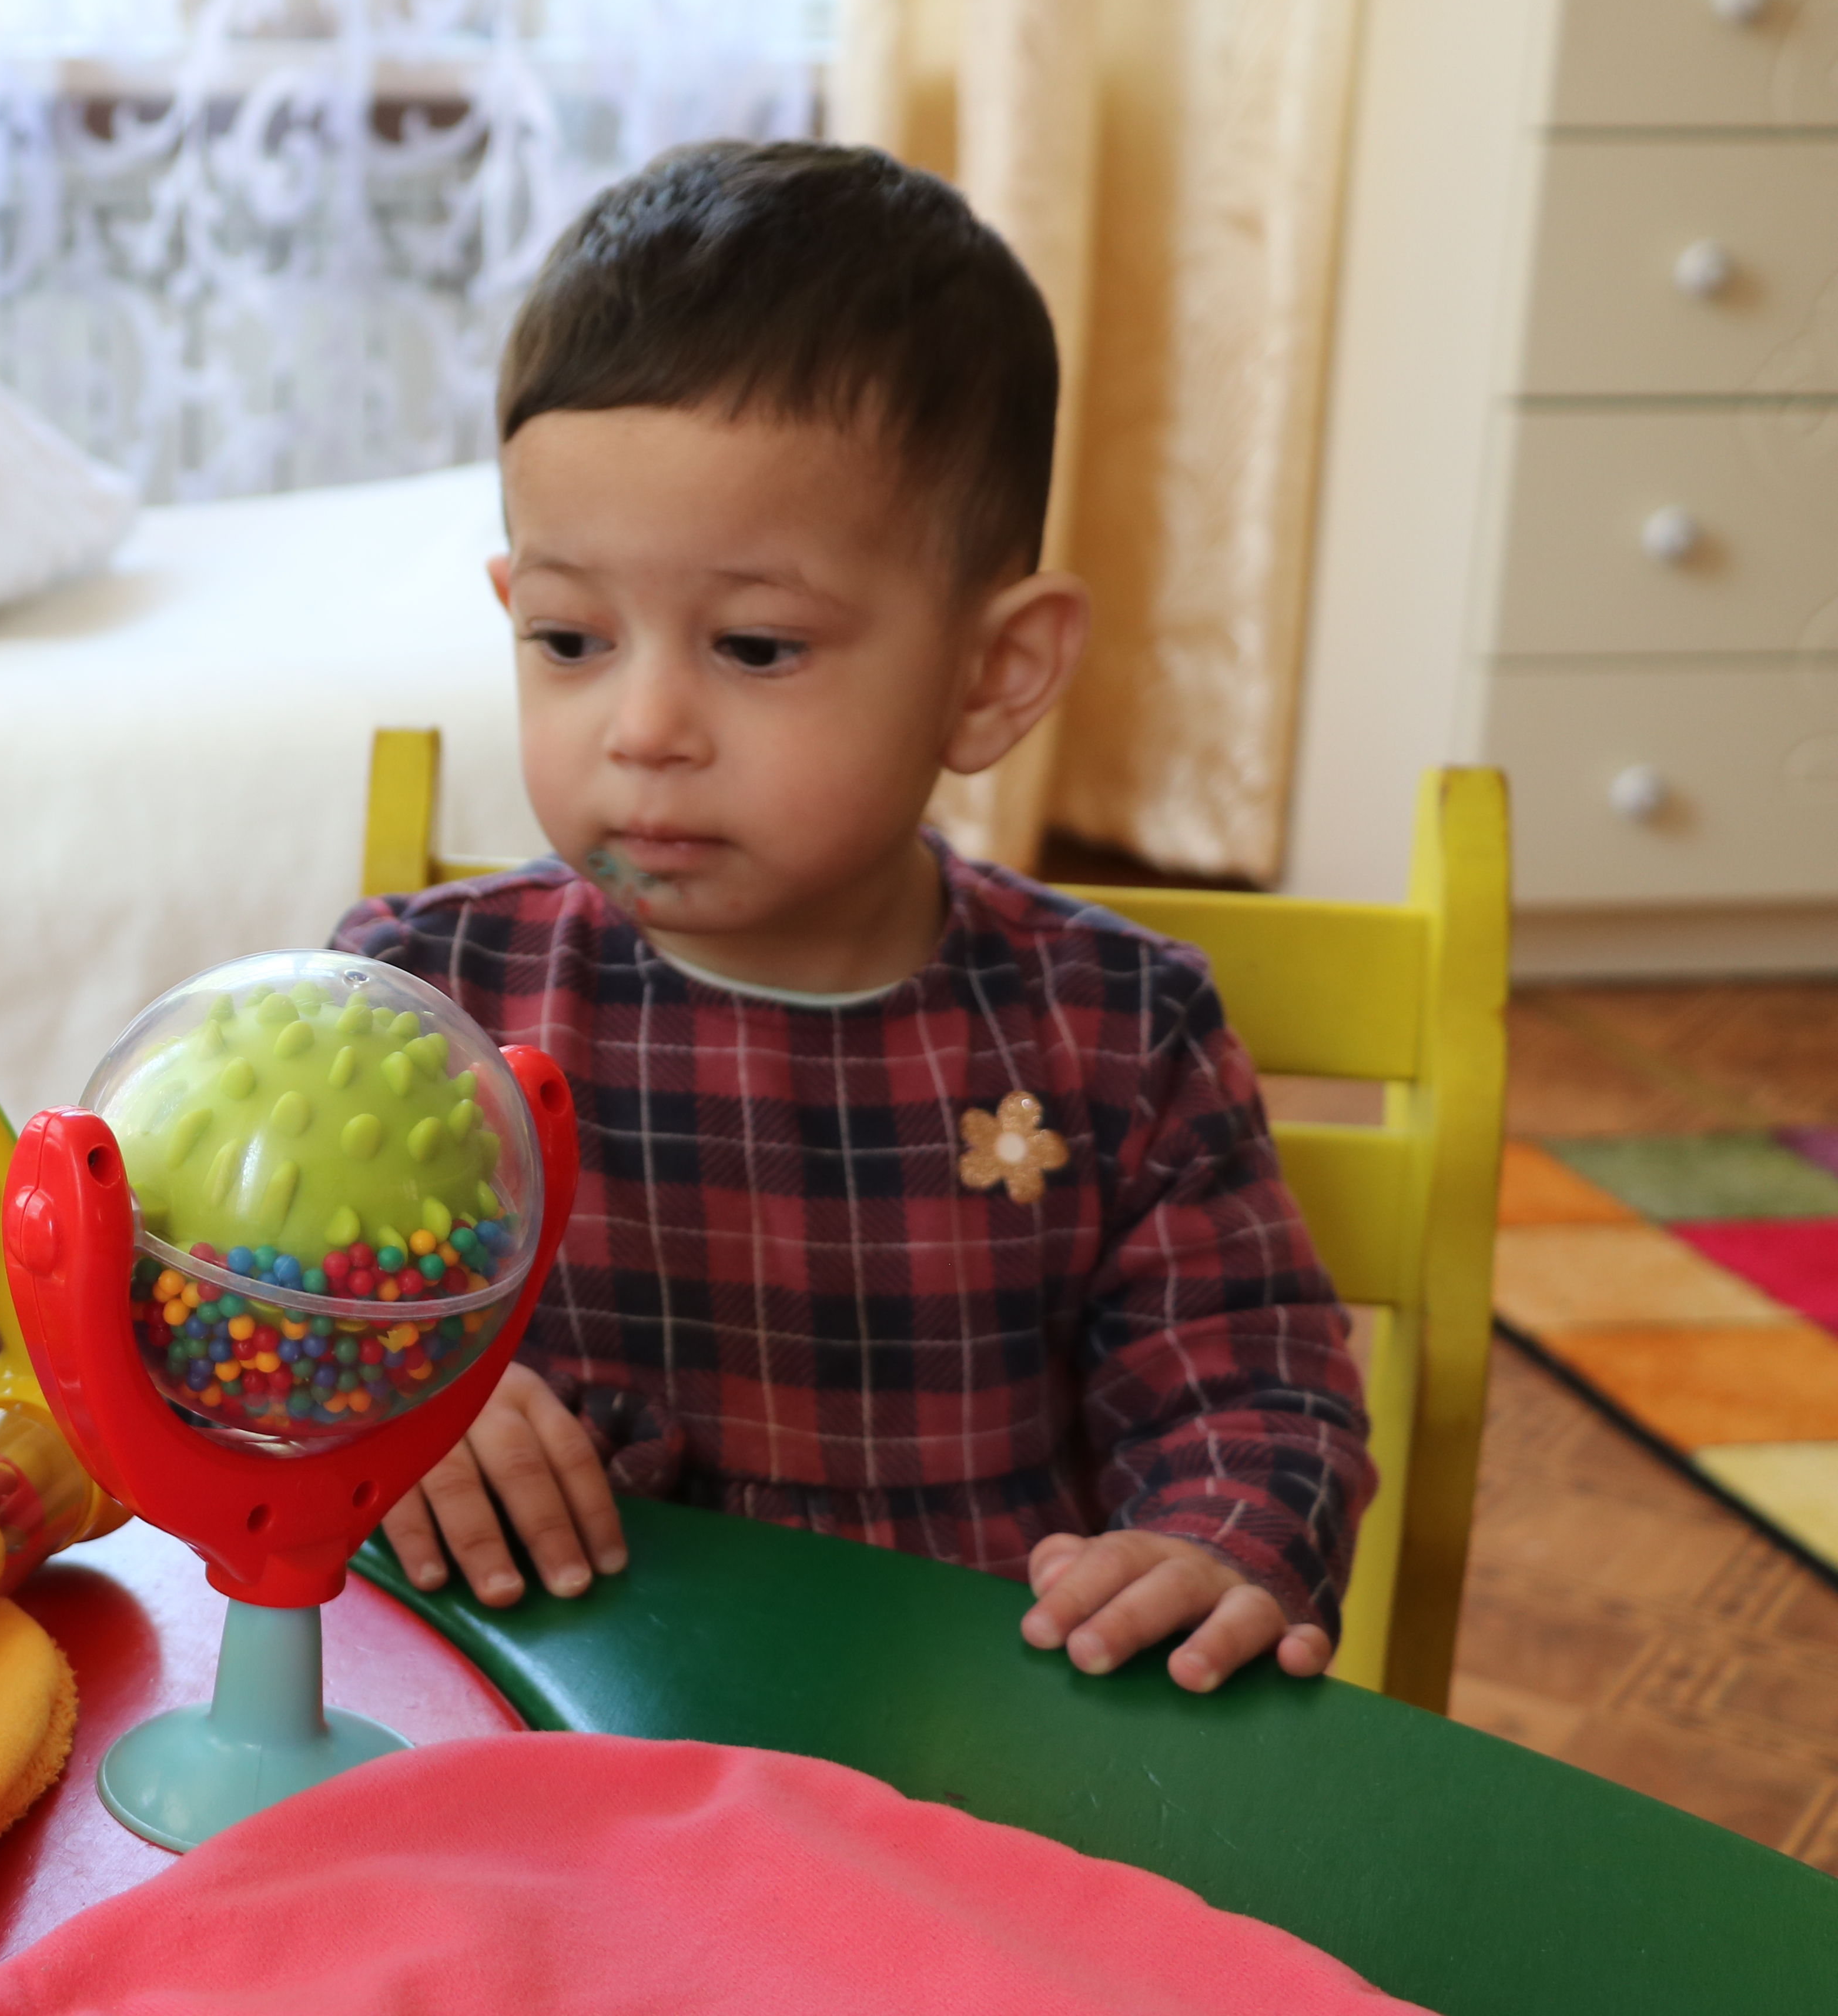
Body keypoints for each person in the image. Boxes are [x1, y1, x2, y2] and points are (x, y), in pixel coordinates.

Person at [344, 141, 1371, 1694]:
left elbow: (1255, 1393)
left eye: (756, 647)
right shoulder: (421, 1003)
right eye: (570, 639)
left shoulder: (1119, 1029)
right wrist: (387, 1401)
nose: (644, 727)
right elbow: (230, 1318)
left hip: (966, 1750)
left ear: (993, 674)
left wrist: (1214, 1547)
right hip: (534, 1735)